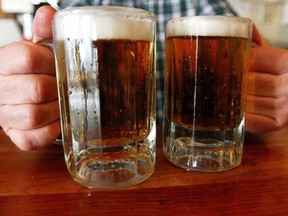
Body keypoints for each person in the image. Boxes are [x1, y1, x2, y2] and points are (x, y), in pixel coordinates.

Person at [0, 0, 287, 151]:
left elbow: (251, 63)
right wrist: (21, 89)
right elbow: (40, 71)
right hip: (93, 153)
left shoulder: (204, 4)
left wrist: (269, 87)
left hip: (179, 162)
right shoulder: (77, 7)